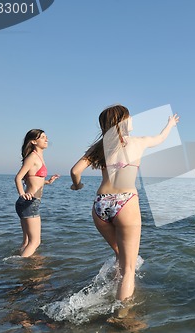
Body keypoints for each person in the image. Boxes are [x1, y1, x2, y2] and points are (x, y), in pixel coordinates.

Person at [70, 104, 179, 302]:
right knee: (129, 269)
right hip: (125, 201)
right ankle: (122, 316)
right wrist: (170, 125)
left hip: (100, 205)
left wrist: (77, 186)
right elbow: (160, 138)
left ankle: (113, 289)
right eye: (129, 117)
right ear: (122, 121)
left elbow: (75, 171)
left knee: (120, 254)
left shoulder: (99, 147)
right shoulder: (138, 141)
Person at [14, 129, 60, 257]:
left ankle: (20, 263)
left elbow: (33, 179)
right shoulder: (33, 157)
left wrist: (48, 182)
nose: (46, 140)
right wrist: (22, 193)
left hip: (27, 203)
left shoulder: (38, 156)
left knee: (27, 241)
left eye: (46, 137)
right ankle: (19, 266)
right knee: (35, 242)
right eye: (43, 137)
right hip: (30, 202)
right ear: (34, 141)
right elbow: (18, 177)